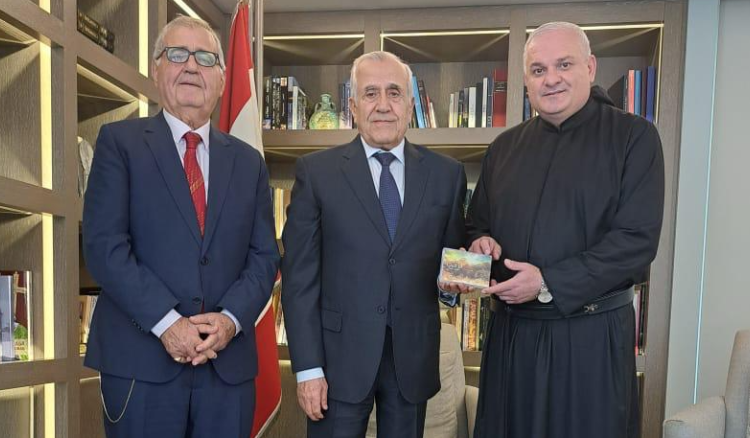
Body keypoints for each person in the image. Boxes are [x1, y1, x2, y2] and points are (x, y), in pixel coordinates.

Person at [462, 21, 664, 438]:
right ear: (526, 81)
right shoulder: (503, 148)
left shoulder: (634, 137)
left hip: (590, 337)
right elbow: (476, 226)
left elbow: (636, 242)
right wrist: (479, 243)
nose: (550, 79)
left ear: (590, 67)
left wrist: (547, 281)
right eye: (538, 70)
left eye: (564, 65)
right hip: (512, 337)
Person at [82, 16, 279, 438]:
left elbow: (264, 257)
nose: (191, 65)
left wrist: (229, 321)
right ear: (157, 69)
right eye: (177, 54)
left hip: (226, 368)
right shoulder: (119, 143)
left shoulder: (249, 163)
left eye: (205, 58)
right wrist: (167, 323)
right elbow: (105, 247)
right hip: (141, 365)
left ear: (222, 79)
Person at [280, 51, 467, 438]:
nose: (383, 105)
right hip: (337, 362)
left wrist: (452, 289)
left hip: (411, 360)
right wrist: (308, 369)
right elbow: (299, 279)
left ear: (410, 105)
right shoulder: (317, 172)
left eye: (394, 93)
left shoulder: (447, 175)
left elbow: (453, 261)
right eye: (370, 93)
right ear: (352, 106)